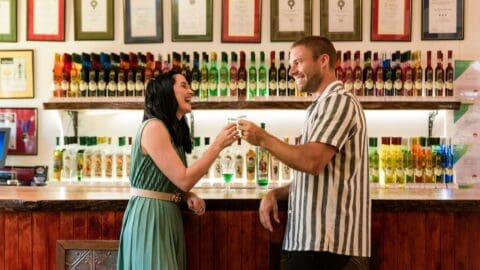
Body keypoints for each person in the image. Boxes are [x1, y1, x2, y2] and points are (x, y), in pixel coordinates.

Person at [238, 36, 370, 270]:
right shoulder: (320, 106)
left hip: (325, 243)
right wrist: (276, 193)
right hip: (312, 240)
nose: (291, 71)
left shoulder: (338, 101)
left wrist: (262, 138)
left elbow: (312, 162)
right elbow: (317, 178)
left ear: (323, 61)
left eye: (298, 62)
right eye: (291, 64)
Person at [117, 70, 238, 270]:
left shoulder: (170, 130)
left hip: (165, 216)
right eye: (183, 85)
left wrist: (184, 195)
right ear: (166, 91)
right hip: (151, 218)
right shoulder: (154, 127)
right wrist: (217, 145)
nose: (191, 90)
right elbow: (184, 179)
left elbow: (173, 180)